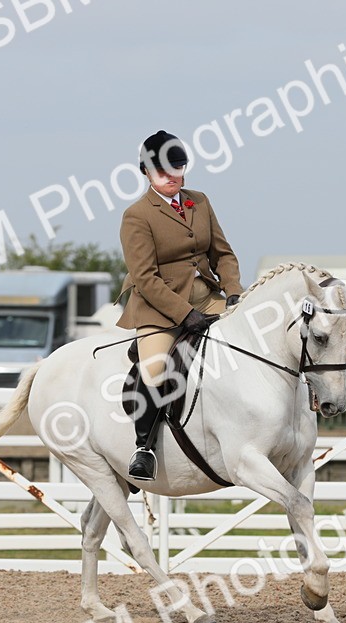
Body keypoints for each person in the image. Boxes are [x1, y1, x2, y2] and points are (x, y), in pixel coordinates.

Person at [117, 130, 245, 481]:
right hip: (159, 306)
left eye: (179, 167)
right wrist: (184, 315)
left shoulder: (200, 201)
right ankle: (144, 447)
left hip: (207, 296)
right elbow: (145, 278)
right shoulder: (137, 215)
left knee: (253, 339)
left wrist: (233, 291)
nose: (173, 176)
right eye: (163, 171)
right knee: (155, 369)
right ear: (146, 172)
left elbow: (223, 253)